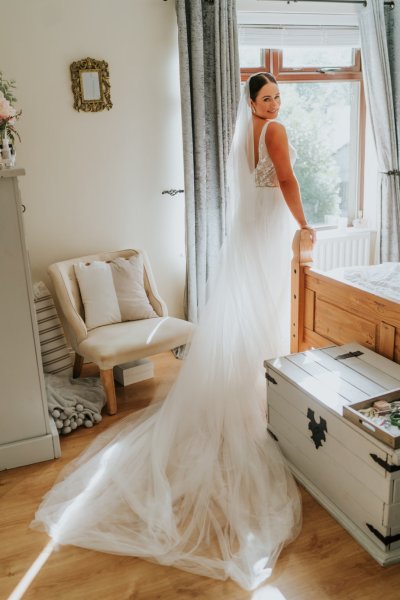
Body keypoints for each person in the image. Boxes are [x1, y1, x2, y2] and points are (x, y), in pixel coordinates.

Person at [32, 73, 313, 591]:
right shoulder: (274, 132)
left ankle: (254, 390)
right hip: (271, 232)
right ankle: (261, 397)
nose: (274, 104)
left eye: (278, 97)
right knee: (267, 312)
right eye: (267, 97)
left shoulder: (243, 132)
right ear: (251, 101)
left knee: (253, 314)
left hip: (249, 236)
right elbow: (288, 182)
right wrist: (305, 223)